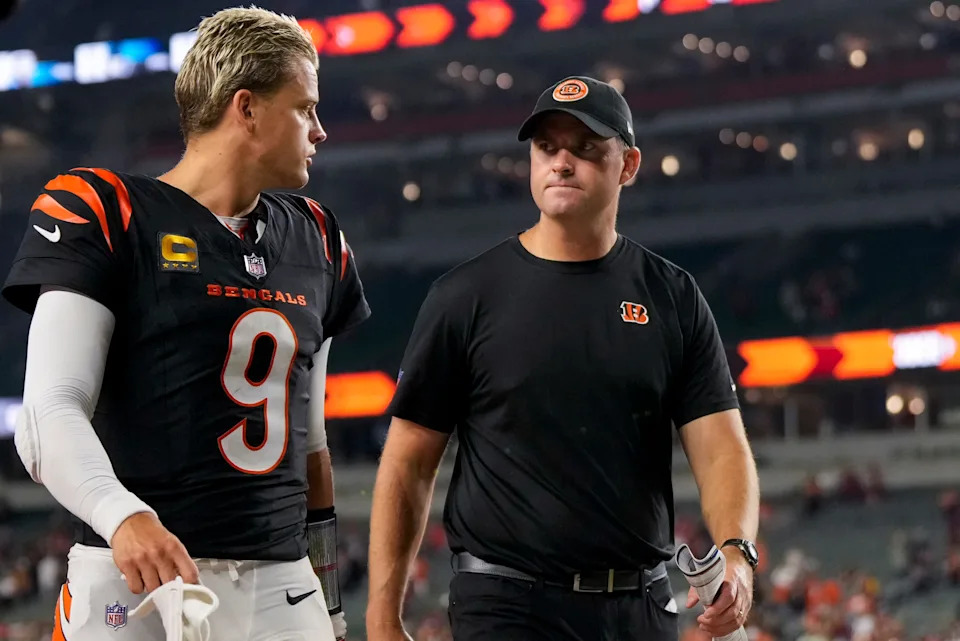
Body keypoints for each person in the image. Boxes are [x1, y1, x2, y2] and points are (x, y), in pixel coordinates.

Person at [2, 7, 369, 641]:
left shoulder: (317, 236)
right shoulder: (108, 210)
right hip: (136, 578)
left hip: (282, 587)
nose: (320, 130)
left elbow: (309, 445)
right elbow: (48, 413)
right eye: (305, 107)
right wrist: (123, 518)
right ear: (246, 108)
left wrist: (329, 597)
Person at [366, 76, 760, 641]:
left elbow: (722, 447)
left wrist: (738, 553)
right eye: (548, 148)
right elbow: (407, 462)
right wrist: (383, 617)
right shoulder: (465, 296)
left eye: (586, 149)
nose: (562, 163)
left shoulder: (671, 295)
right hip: (505, 603)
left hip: (639, 605)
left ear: (628, 166)